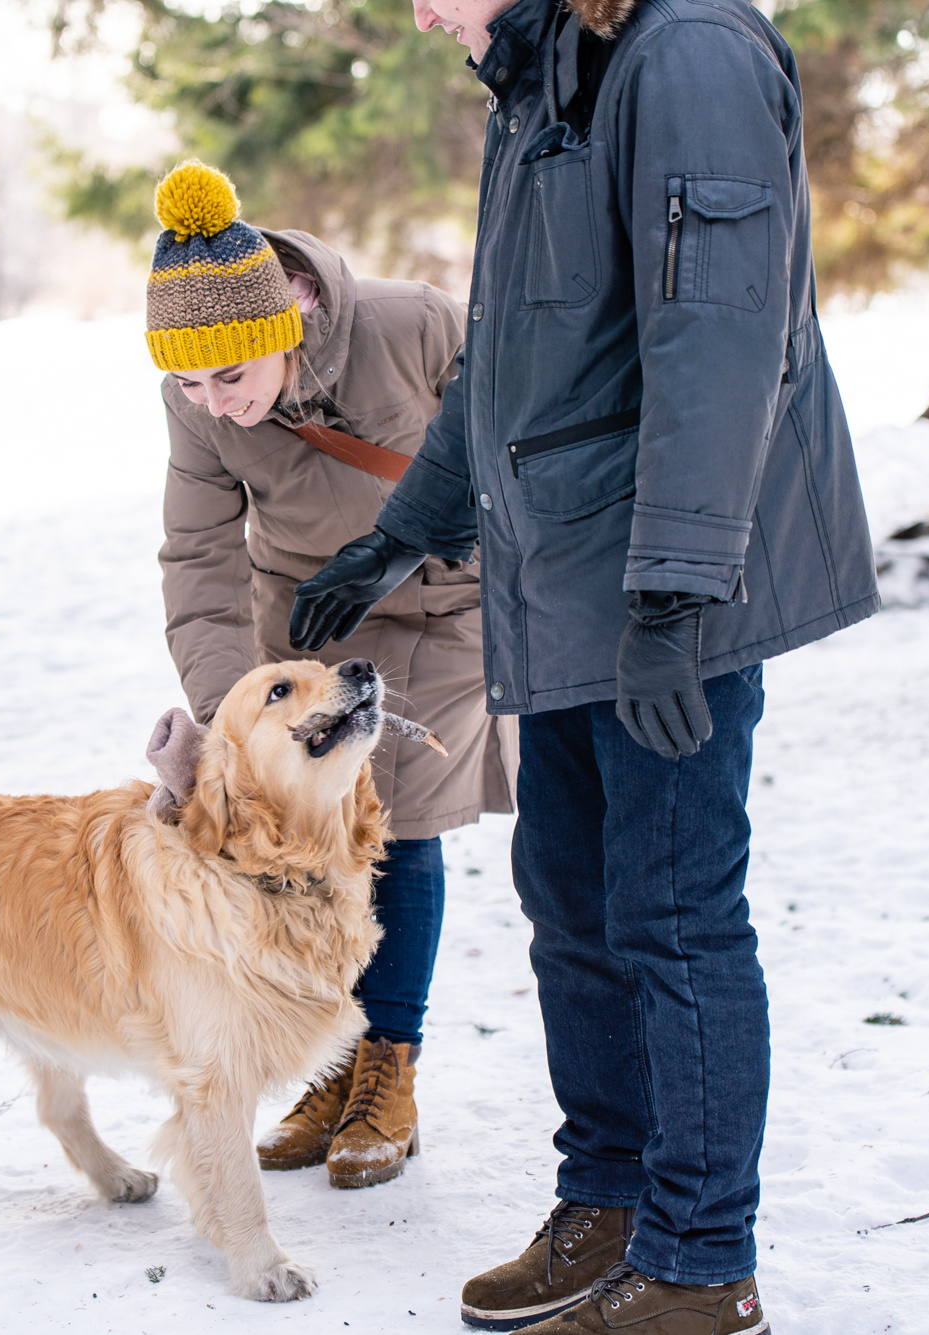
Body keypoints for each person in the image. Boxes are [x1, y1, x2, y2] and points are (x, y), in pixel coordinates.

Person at [288, 0, 879, 1328]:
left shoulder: (688, 53)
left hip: (670, 582)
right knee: (574, 903)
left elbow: (719, 337)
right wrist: (404, 535)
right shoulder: (542, 79)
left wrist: (674, 590)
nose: (426, 13)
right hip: (565, 578)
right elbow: (505, 352)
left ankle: (699, 1263)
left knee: (673, 916)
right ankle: (610, 1198)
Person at [145, 160, 519, 1191]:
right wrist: (234, 722)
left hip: (444, 605)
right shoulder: (198, 407)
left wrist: (436, 541)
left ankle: (388, 1068)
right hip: (305, 625)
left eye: (230, 378)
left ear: (284, 326)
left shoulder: (410, 327)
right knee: (303, 838)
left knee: (394, 822)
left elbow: (513, 419)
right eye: (186, 384)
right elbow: (200, 562)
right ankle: (336, 1066)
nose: (213, 407)